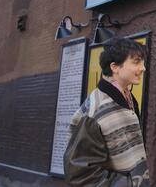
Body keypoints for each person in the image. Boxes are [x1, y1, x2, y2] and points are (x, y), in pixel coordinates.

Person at [64, 37, 150, 186]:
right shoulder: (96, 110)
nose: (143, 68)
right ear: (115, 67)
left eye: (142, 62)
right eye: (136, 62)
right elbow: (81, 173)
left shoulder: (128, 98)